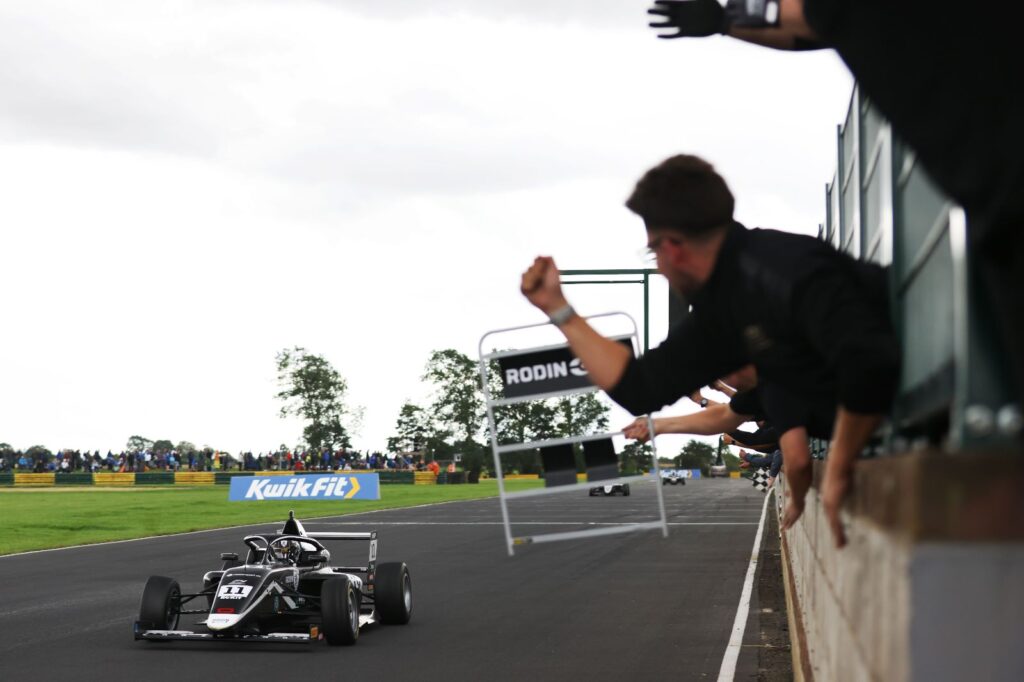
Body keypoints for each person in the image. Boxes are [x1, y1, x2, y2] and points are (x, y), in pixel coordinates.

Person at [646, 0, 1024, 417]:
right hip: (989, 202)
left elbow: (814, 17)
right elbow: (811, 24)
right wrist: (726, 22)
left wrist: (728, 20)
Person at [520, 154, 899, 546]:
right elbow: (640, 387)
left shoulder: (784, 267)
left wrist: (838, 468)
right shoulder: (721, 311)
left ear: (673, 248)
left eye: (653, 253)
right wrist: (559, 309)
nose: (659, 268)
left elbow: (867, 360)